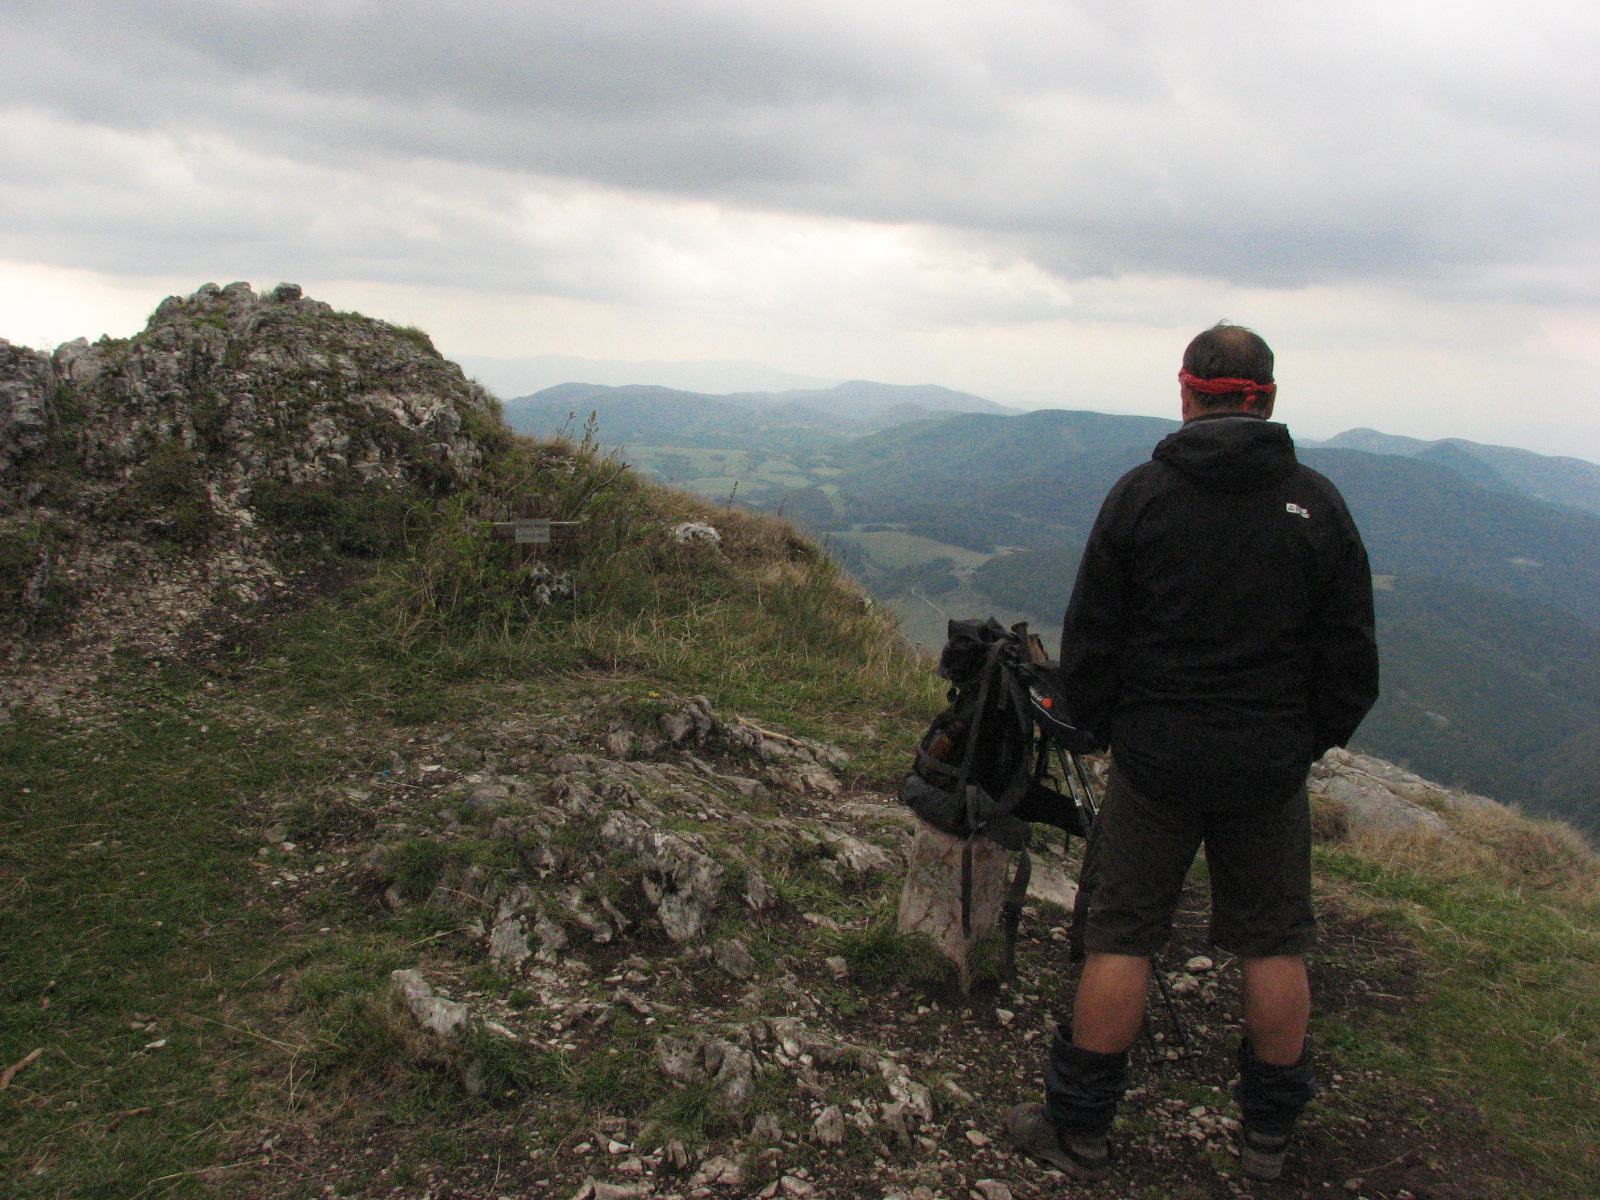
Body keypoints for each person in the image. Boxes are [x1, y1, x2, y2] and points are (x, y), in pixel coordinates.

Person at [1005, 323, 1380, 1183]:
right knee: (1274, 943)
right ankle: (1268, 1141)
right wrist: (1300, 743)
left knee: (1122, 936)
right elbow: (1351, 662)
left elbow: (1091, 642)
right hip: (1267, 765)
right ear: (1268, 399)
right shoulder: (1317, 505)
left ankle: (1081, 1128)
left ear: (1186, 393)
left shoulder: (1142, 496)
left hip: (1157, 759)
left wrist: (1108, 728)